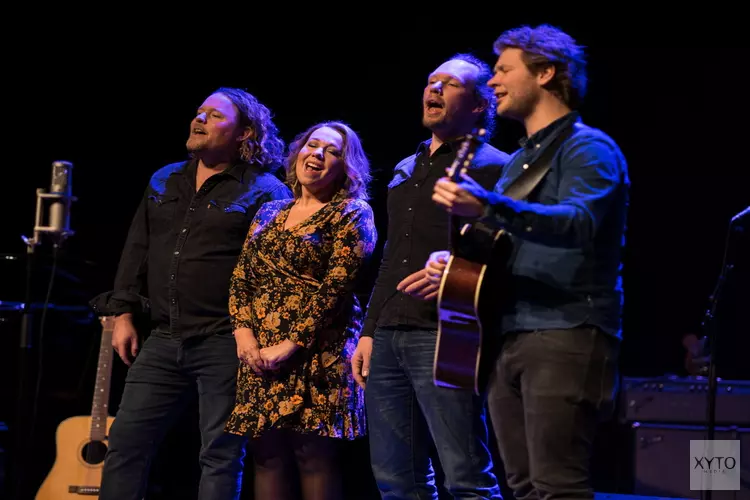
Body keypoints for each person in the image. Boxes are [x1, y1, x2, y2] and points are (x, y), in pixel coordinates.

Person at [426, 25, 630, 500]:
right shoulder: (519, 160)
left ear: (544, 72)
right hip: (508, 334)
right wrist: (456, 260)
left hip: (567, 331)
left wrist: (488, 208)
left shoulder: (589, 148)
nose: (493, 81)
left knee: (557, 487)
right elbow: (507, 237)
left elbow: (579, 223)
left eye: (502, 70)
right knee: (521, 487)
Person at [90, 87, 292, 500]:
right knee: (125, 444)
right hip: (163, 339)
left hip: (225, 341)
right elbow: (137, 249)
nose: (199, 119)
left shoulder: (268, 191)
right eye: (199, 112)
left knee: (219, 455)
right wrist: (123, 312)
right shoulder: (165, 178)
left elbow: (274, 277)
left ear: (244, 134)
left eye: (215, 115)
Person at [351, 54, 509, 499]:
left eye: (449, 83)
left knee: (466, 476)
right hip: (390, 336)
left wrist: (459, 264)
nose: (433, 89)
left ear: (479, 104)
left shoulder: (497, 166)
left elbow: (515, 249)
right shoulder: (408, 167)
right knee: (396, 479)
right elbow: (391, 257)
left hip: (449, 330)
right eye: (430, 81)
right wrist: (368, 332)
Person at [223, 121, 377, 500]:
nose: (318, 154)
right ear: (298, 153)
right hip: (260, 351)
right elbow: (242, 276)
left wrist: (291, 344)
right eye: (312, 145)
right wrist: (244, 334)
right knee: (267, 457)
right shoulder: (270, 211)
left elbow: (335, 288)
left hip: (317, 352)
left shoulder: (351, 212)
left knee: (314, 458)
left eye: (333, 151)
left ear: (346, 167)